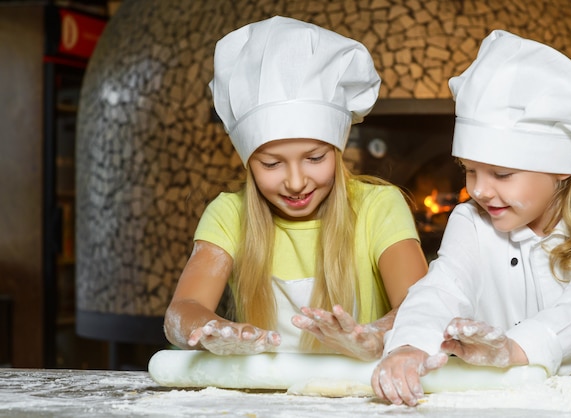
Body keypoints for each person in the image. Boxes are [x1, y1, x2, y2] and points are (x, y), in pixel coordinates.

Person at [371, 29, 571, 406]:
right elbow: (443, 286)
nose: (480, 190)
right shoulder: (471, 221)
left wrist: (514, 348)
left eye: (501, 174)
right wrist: (410, 345)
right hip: (512, 397)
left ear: (560, 169)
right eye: (469, 170)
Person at [163, 16, 429, 361]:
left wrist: (374, 336)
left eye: (315, 158)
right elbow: (184, 309)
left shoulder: (378, 207)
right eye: (272, 164)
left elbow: (422, 309)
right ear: (248, 164)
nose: (296, 181)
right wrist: (213, 330)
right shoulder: (230, 213)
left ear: (337, 150)